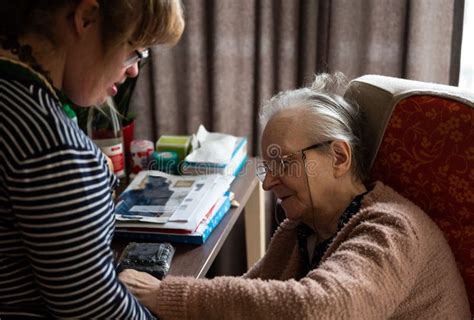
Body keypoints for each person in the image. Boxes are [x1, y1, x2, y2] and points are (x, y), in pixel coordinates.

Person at [119, 73, 470, 319]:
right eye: (266, 167)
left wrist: (164, 294)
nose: (269, 183)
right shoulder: (302, 229)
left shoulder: (393, 231)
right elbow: (249, 296)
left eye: (282, 163)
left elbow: (320, 309)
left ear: (339, 157)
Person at [0, 0, 184, 318]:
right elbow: (97, 311)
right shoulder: (52, 149)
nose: (133, 69)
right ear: (86, 19)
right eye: (134, 50)